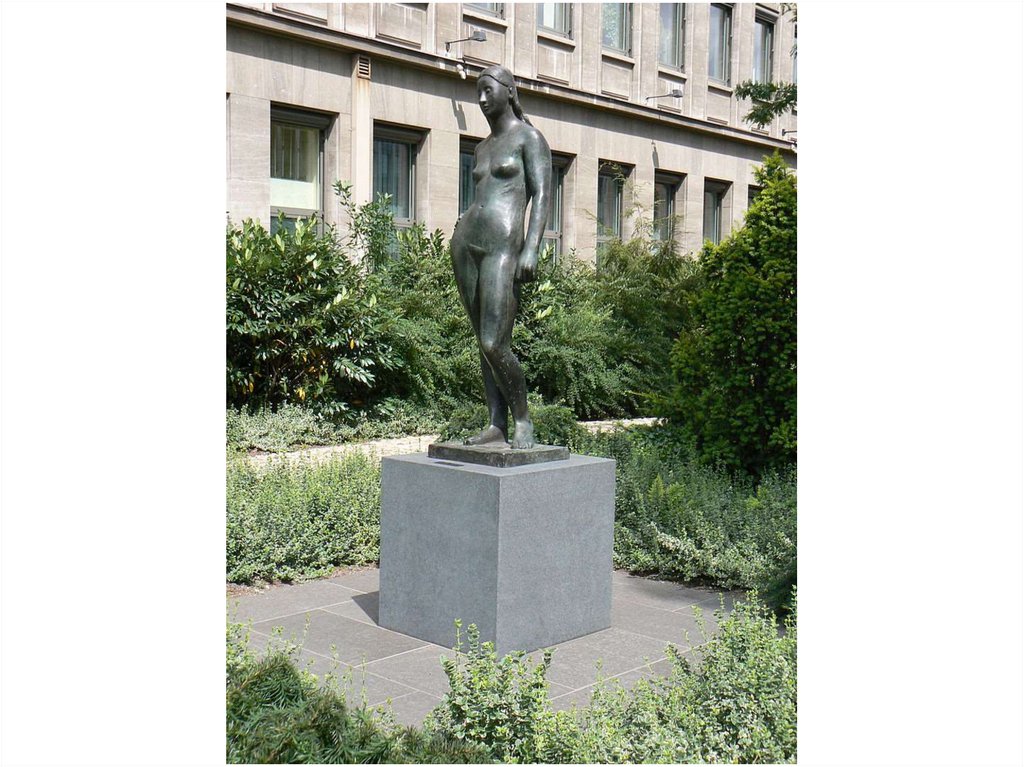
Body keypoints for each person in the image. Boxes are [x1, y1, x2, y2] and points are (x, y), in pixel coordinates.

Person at [451, 65, 552, 449]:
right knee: (482, 340)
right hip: (467, 244)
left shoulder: (529, 138)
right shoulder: (481, 147)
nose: (481, 99)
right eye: (478, 91)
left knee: (495, 341)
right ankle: (496, 423)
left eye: (488, 90)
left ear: (509, 91)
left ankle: (522, 419)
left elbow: (542, 194)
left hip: (503, 246)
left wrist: (532, 247)